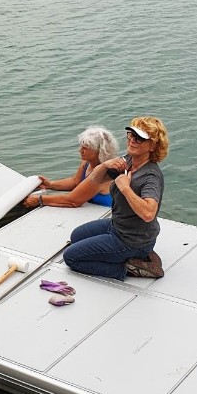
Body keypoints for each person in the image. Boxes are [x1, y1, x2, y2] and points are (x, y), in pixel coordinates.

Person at [61, 117, 169, 281]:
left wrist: (125, 187)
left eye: (139, 138)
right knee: (76, 236)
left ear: (153, 146)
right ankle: (140, 254)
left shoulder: (150, 177)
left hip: (131, 241)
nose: (132, 140)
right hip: (117, 226)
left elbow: (148, 213)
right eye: (131, 135)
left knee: (71, 257)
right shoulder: (129, 160)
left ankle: (129, 268)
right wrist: (105, 165)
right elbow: (95, 180)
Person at [21, 126, 119, 210]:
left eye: (85, 148)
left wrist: (39, 200)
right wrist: (50, 185)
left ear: (100, 151)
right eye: (81, 146)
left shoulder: (103, 173)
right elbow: (75, 182)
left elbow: (73, 201)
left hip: (106, 211)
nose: (80, 150)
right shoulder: (87, 162)